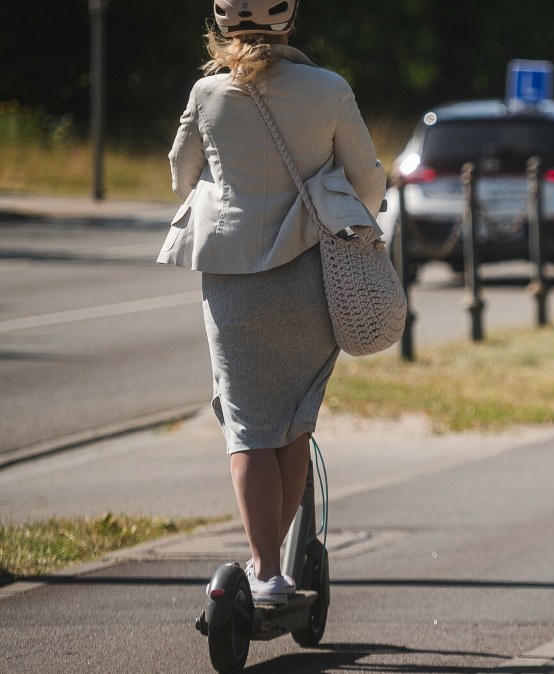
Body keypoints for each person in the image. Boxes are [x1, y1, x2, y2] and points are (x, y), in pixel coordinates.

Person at [159, 0, 385, 603]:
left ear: (222, 25)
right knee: (292, 425)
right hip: (312, 270)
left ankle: (264, 570)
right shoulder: (328, 88)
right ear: (289, 22)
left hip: (232, 278)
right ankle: (274, 569)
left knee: (248, 424)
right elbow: (370, 182)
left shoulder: (207, 94)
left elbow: (180, 175)